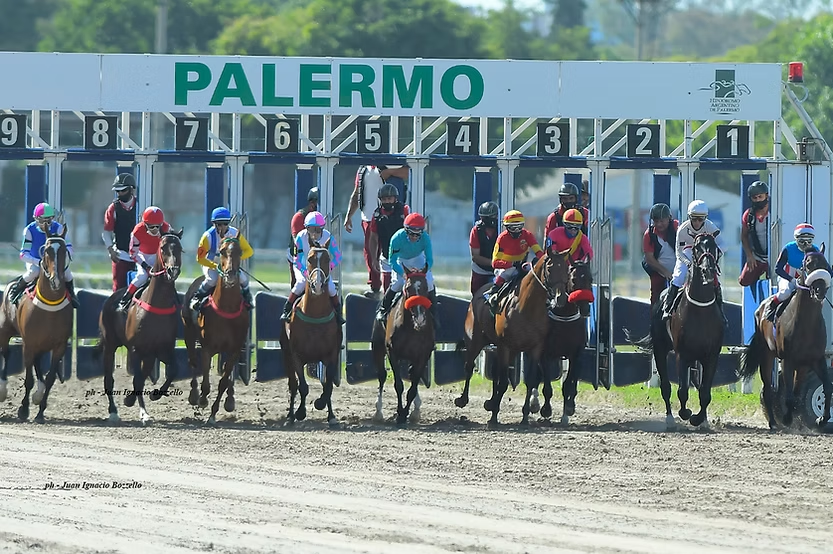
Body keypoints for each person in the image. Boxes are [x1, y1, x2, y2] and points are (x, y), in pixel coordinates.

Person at [344, 164, 410, 296]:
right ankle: (375, 286)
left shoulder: (389, 162)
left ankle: (397, 285)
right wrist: (349, 215)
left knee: (391, 250)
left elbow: (408, 172)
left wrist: (389, 172)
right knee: (370, 253)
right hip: (369, 216)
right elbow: (357, 193)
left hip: (391, 215)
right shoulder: (362, 169)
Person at [662, 200, 726, 324]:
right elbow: (679, 253)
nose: (697, 222)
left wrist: (713, 255)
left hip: (703, 253)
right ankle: (667, 307)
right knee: (678, 276)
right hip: (687, 252)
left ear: (705, 218)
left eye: (701, 219)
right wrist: (688, 263)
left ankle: (721, 312)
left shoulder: (711, 226)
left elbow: (723, 245)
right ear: (689, 217)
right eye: (694, 218)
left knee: (715, 280)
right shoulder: (682, 229)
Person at [6, 203, 79, 308]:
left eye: (48, 221)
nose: (45, 225)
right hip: (35, 261)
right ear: (36, 219)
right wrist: (38, 262)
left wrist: (62, 255)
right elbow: (23, 254)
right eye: (42, 221)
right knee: (34, 272)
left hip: (54, 261)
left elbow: (70, 248)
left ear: (52, 219)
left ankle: (72, 294)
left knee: (68, 274)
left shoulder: (59, 228)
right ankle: (16, 289)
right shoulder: (29, 230)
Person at [282, 211, 345, 326]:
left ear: (322, 229)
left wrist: (330, 266)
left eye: (318, 230)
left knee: (331, 288)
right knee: (301, 283)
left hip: (321, 269)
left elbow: (338, 256)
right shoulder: (300, 237)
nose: (314, 234)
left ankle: (339, 314)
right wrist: (305, 272)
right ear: (306, 228)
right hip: (302, 266)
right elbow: (297, 259)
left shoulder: (328, 237)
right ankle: (287, 310)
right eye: (311, 230)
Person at [376, 212, 438, 325]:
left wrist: (423, 271)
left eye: (417, 235)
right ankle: (383, 309)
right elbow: (392, 261)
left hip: (418, 259)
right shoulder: (396, 238)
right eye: (411, 234)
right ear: (405, 230)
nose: (414, 237)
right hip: (401, 260)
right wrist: (403, 274)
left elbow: (430, 260)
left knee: (429, 282)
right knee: (398, 283)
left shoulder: (426, 238)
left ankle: (435, 313)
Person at [190, 207, 255, 312]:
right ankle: (197, 297)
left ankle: (248, 298)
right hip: (212, 262)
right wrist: (214, 266)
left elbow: (249, 251)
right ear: (214, 224)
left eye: (225, 224)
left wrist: (235, 259)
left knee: (243, 279)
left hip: (229, 263)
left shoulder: (235, 233)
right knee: (212, 280)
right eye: (219, 224)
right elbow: (200, 258)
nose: (223, 227)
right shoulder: (207, 236)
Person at [763, 223, 830, 321]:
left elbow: (828, 269)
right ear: (796, 239)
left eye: (809, 241)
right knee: (785, 292)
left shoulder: (816, 250)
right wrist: (791, 279)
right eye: (802, 241)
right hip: (788, 275)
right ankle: (771, 307)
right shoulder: (788, 248)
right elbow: (778, 269)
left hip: (806, 278)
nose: (805, 245)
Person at [483, 210, 544, 312]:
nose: (516, 230)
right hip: (506, 267)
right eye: (513, 228)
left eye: (519, 227)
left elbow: (538, 251)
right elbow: (495, 263)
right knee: (508, 272)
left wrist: (541, 260)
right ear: (506, 227)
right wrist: (511, 264)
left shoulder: (527, 235)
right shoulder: (502, 238)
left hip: (523, 264)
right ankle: (493, 292)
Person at [116, 206, 172, 312]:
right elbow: (133, 253)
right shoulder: (137, 231)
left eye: (158, 226)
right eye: (151, 227)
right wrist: (145, 266)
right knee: (143, 276)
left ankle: (175, 301)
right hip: (142, 255)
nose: (155, 230)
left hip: (159, 255)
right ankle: (124, 300)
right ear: (145, 224)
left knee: (168, 276)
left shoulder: (167, 228)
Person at [367, 183, 410, 296]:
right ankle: (385, 306)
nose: (387, 202)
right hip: (387, 256)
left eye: (389, 199)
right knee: (387, 289)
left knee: (406, 286)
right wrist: (374, 259)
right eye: (384, 199)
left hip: (404, 256)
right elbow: (373, 238)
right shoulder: (377, 215)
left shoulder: (404, 210)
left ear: (395, 199)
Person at [103, 172, 138, 291]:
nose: (120, 194)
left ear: (131, 189)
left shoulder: (141, 205)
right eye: (117, 191)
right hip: (121, 255)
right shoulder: (113, 208)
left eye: (123, 190)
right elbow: (106, 232)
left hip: (140, 256)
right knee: (118, 289)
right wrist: (110, 250)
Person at [642, 203, 678, 306]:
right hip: (658, 271)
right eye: (656, 221)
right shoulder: (649, 235)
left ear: (669, 218)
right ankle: (654, 315)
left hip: (679, 270)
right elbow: (649, 259)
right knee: (656, 297)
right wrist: (665, 272)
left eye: (662, 221)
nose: (659, 224)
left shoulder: (677, 227)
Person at [738, 180, 770, 287]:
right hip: (757, 256)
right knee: (744, 280)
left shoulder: (774, 212)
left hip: (774, 255)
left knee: (775, 279)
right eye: (754, 198)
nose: (758, 200)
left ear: (766, 195)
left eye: (760, 197)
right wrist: (749, 255)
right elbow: (744, 236)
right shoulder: (748, 215)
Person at [288, 187, 318, 289]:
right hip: (298, 254)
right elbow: (298, 242)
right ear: (312, 203)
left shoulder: (322, 218)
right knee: (300, 284)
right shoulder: (299, 217)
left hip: (317, 255)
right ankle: (292, 298)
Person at [469, 201, 499, 296]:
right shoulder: (476, 231)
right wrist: (493, 263)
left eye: (492, 216)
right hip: (480, 270)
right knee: (477, 295)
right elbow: (475, 257)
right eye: (484, 218)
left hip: (500, 269)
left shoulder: (501, 230)